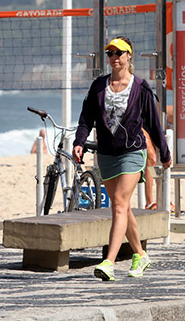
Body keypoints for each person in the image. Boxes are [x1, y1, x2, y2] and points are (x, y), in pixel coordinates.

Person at [73, 36, 171, 281]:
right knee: (123, 208)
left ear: (129, 56)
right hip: (106, 154)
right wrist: (79, 142)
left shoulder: (140, 87)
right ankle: (140, 254)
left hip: (132, 151)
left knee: (117, 202)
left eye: (119, 52)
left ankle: (109, 261)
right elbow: (86, 119)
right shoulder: (98, 86)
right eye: (110, 53)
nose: (114, 57)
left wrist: (164, 153)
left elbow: (153, 123)